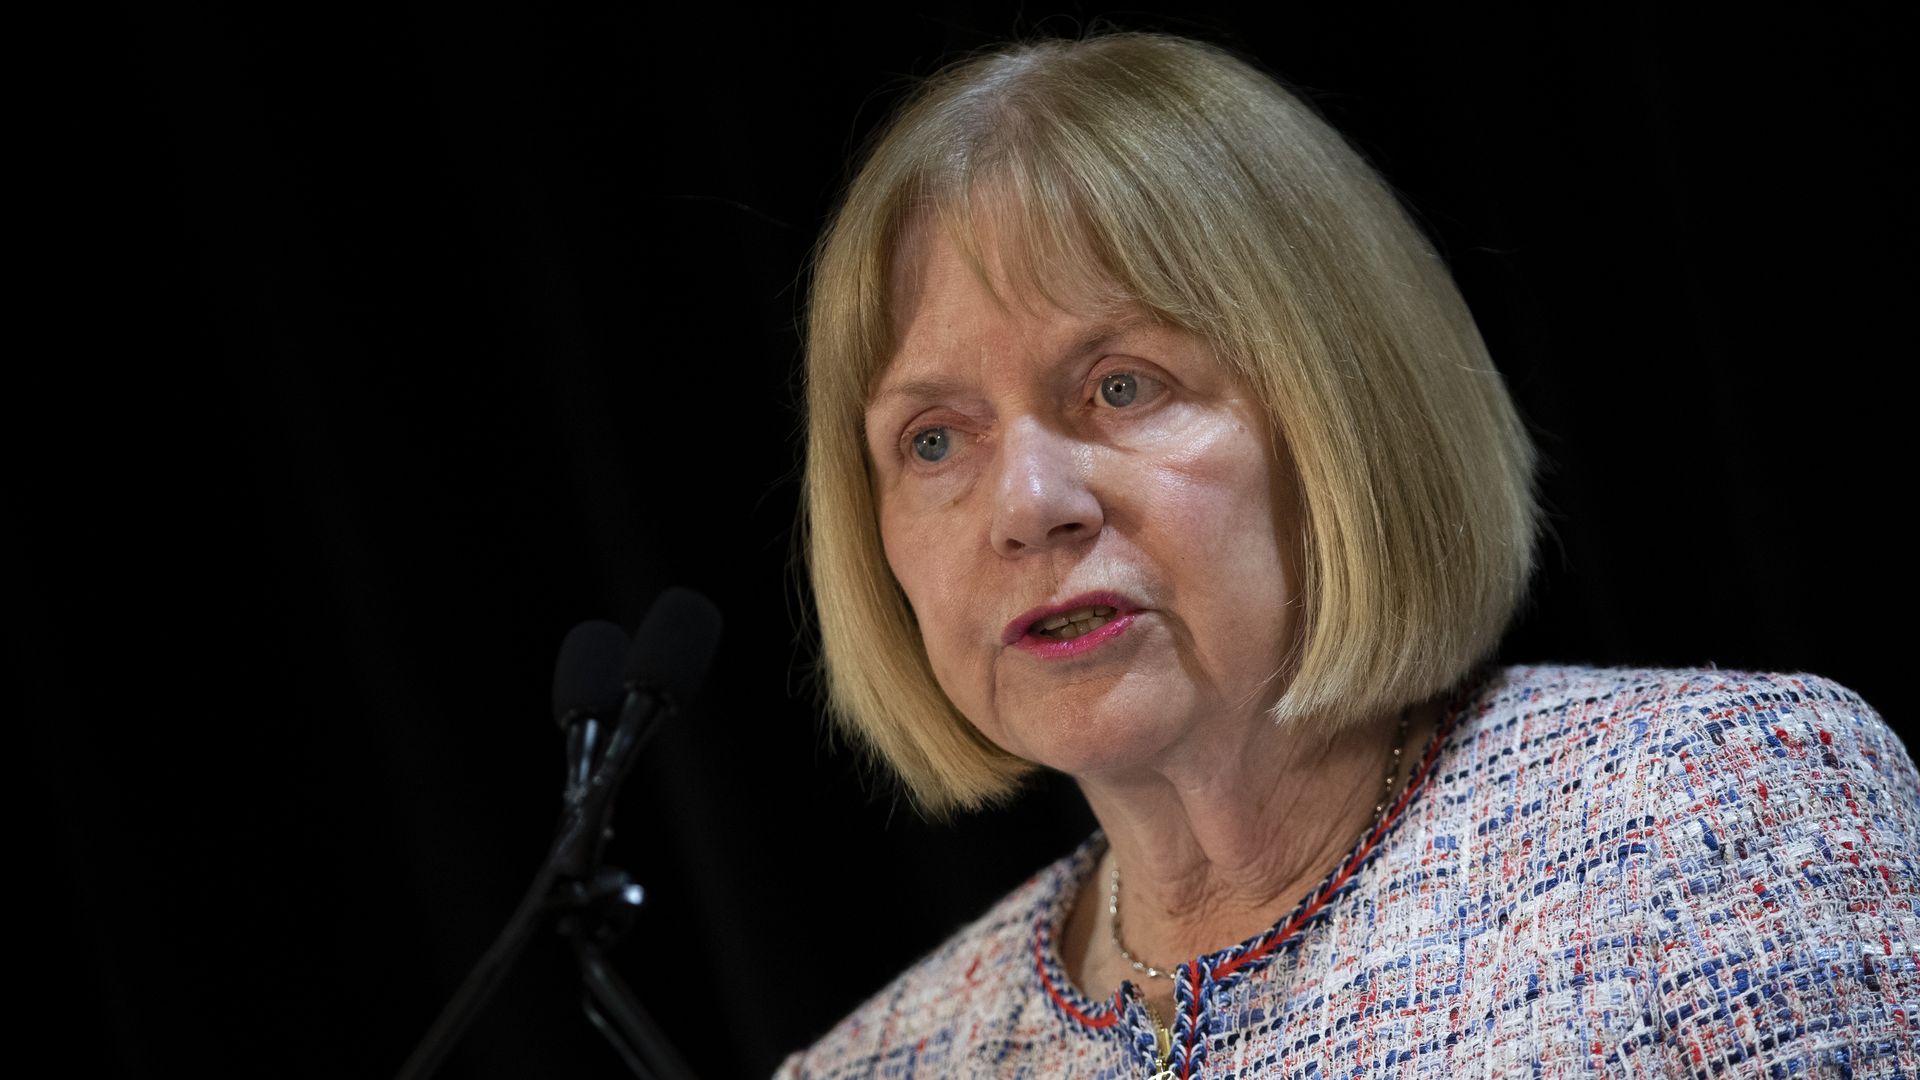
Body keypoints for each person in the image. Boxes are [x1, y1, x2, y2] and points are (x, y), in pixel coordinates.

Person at [779, 31, 1919, 1078]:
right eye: (933, 441)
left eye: (1122, 386)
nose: (1026, 507)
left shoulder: (1714, 813)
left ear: (1341, 418)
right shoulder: (885, 1063)